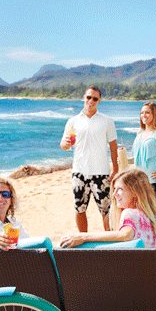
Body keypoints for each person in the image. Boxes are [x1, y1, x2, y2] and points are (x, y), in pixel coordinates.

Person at [59, 169, 156, 248]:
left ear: (134, 193)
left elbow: (125, 235)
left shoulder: (130, 213)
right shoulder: (148, 216)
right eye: (114, 189)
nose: (114, 194)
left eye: (120, 189)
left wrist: (83, 237)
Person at [60, 86, 118, 233]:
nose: (90, 101)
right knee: (79, 209)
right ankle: (83, 239)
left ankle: (109, 240)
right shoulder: (73, 121)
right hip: (79, 172)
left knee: (106, 210)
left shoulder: (107, 121)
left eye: (95, 98)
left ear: (99, 101)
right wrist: (65, 145)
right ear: (84, 98)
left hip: (101, 173)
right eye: (88, 97)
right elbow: (63, 145)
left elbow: (113, 148)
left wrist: (116, 170)